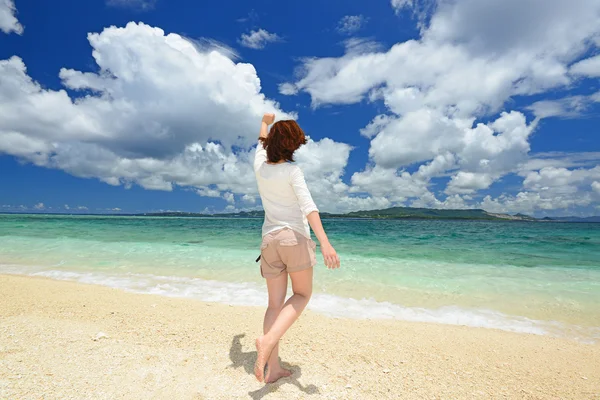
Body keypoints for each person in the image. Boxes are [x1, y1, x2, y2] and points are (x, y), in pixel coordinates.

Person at [253, 113, 341, 383]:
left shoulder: (260, 166)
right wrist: (325, 243)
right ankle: (267, 342)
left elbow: (260, 142)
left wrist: (265, 122)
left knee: (274, 305)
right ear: (292, 145)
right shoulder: (292, 171)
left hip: (269, 242)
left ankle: (273, 368)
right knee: (302, 295)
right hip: (294, 238)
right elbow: (308, 206)